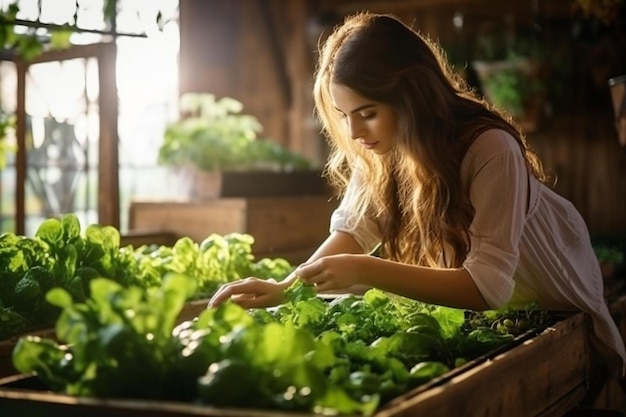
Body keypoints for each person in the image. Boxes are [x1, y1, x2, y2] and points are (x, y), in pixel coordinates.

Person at [209, 11, 626, 380]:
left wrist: (363, 270)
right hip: (500, 323)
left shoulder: (489, 148)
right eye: (344, 116)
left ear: (412, 98)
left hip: (560, 312)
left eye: (367, 113)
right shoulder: (382, 151)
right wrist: (285, 288)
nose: (354, 133)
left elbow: (488, 288)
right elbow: (354, 233)